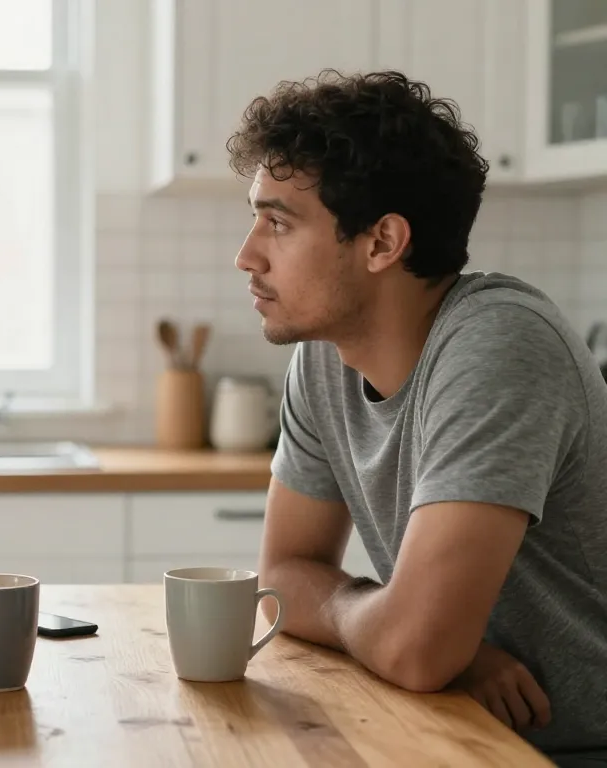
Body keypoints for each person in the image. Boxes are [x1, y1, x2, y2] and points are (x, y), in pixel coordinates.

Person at [229, 70, 607, 766]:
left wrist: (417, 638)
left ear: (382, 243)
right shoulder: (324, 360)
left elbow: (416, 647)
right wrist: (413, 633)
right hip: (449, 723)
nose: (246, 255)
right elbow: (282, 578)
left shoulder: (499, 347)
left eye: (278, 222)